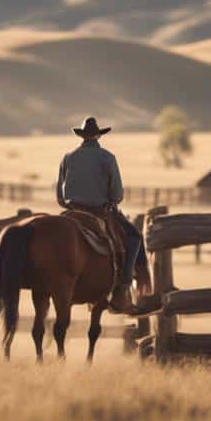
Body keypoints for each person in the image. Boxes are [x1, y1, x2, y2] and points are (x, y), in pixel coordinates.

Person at [56, 116, 144, 315]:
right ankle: (123, 288)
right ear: (98, 136)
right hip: (99, 212)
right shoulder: (107, 157)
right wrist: (111, 202)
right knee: (133, 238)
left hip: (71, 211)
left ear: (82, 136)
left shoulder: (68, 157)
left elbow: (60, 196)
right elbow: (117, 194)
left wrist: (69, 204)